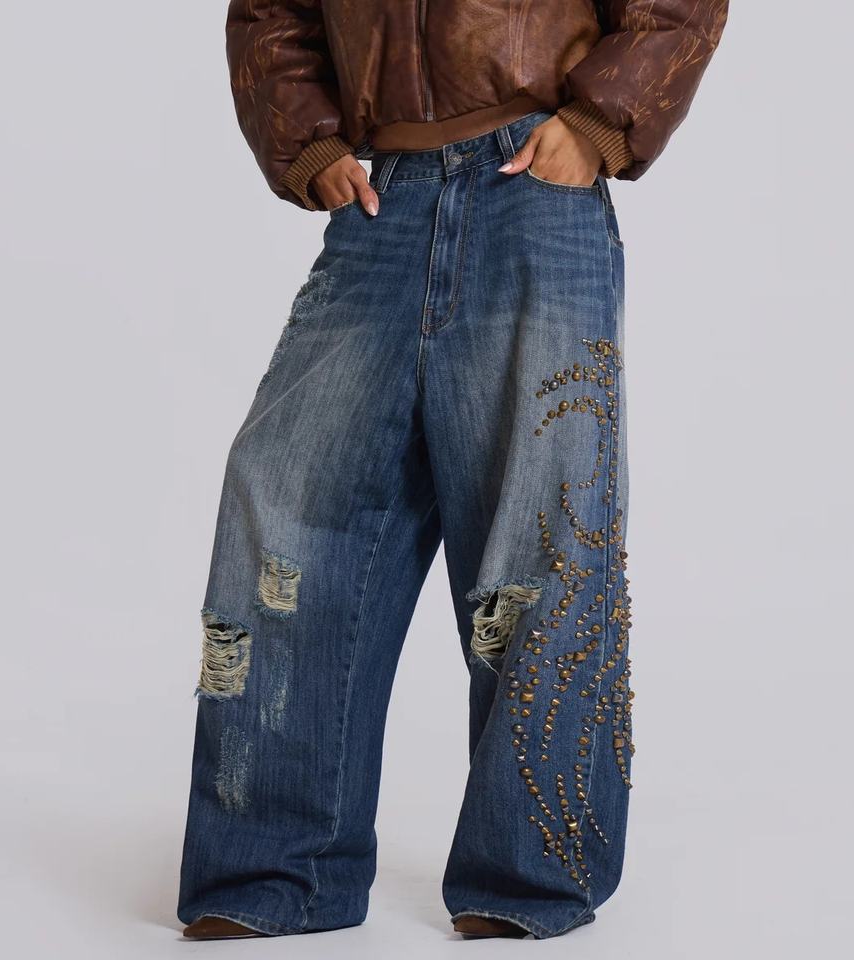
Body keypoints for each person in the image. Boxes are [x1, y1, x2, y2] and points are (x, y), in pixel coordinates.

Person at [177, 0, 729, 941]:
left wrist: (597, 124)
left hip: (533, 187)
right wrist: (307, 144)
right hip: (380, 200)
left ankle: (529, 876)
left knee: (542, 534)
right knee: (285, 506)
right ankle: (274, 870)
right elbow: (269, 12)